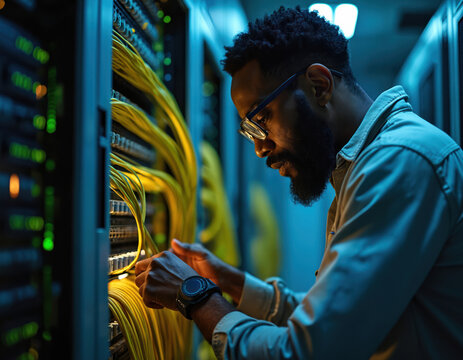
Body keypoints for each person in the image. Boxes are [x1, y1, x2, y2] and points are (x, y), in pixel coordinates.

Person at [134, 6, 463, 359]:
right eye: (250, 131)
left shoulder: (398, 163)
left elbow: (310, 350)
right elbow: (335, 318)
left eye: (262, 118)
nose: (260, 148)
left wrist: (194, 293)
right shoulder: (366, 167)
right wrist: (229, 281)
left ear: (319, 86)